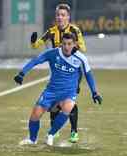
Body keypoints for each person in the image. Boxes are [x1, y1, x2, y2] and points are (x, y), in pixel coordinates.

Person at [14, 33, 102, 146]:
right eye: (64, 44)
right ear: (61, 43)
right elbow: (36, 60)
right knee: (35, 114)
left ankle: (50, 134)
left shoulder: (80, 58)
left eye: (69, 44)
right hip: (51, 91)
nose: (66, 47)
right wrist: (22, 73)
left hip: (68, 92)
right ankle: (32, 139)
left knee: (68, 107)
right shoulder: (53, 53)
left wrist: (94, 92)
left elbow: (88, 74)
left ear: (74, 44)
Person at [30, 3, 86, 143]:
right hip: (58, 69)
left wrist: (73, 48)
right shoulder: (51, 31)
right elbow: (37, 45)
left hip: (73, 70)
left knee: (70, 100)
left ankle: (74, 131)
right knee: (54, 101)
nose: (60, 17)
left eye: (63, 15)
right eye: (58, 15)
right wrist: (33, 42)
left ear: (68, 17)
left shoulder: (75, 30)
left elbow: (83, 48)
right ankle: (54, 130)